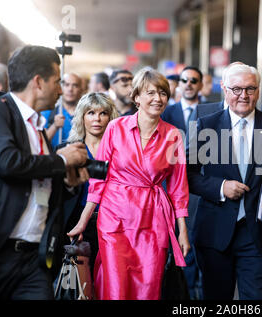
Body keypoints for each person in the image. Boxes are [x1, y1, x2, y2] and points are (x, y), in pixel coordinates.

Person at [68, 67, 190, 300]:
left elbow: (178, 188)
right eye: (150, 93)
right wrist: (83, 221)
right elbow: (98, 180)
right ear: (136, 97)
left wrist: (182, 231)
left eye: (163, 93)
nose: (158, 99)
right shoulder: (115, 128)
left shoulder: (173, 135)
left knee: (148, 287)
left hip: (154, 221)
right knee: (116, 285)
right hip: (115, 218)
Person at [187, 63, 262, 300]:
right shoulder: (207, 126)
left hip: (259, 234)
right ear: (224, 90)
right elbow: (188, 175)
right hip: (214, 234)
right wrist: (220, 187)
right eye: (236, 89)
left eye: (250, 89)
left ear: (258, 91)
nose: (243, 95)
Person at [0, 45, 89, 300]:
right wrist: (61, 159)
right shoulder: (1, 110)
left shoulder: (38, 126)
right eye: (57, 82)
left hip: (35, 258)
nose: (61, 90)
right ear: (38, 82)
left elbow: (42, 181)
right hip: (2, 250)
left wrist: (70, 183)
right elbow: (8, 162)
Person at [161, 66, 220, 300]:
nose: (188, 84)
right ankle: (184, 291)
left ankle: (199, 289)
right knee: (179, 237)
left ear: (200, 84)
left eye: (193, 80)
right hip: (173, 184)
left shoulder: (213, 111)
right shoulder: (167, 112)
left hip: (202, 184)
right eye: (183, 80)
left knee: (199, 235)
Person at [63, 92, 119, 275]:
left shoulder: (120, 151)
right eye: (91, 113)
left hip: (114, 222)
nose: (97, 119)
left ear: (111, 117)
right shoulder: (68, 150)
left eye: (103, 113)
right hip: (76, 222)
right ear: (82, 116)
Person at [42, 73, 83, 148]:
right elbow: (40, 143)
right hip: (55, 158)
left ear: (81, 89)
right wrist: (54, 126)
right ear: (60, 88)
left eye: (75, 85)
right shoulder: (47, 112)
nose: (70, 89)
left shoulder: (86, 115)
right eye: (66, 85)